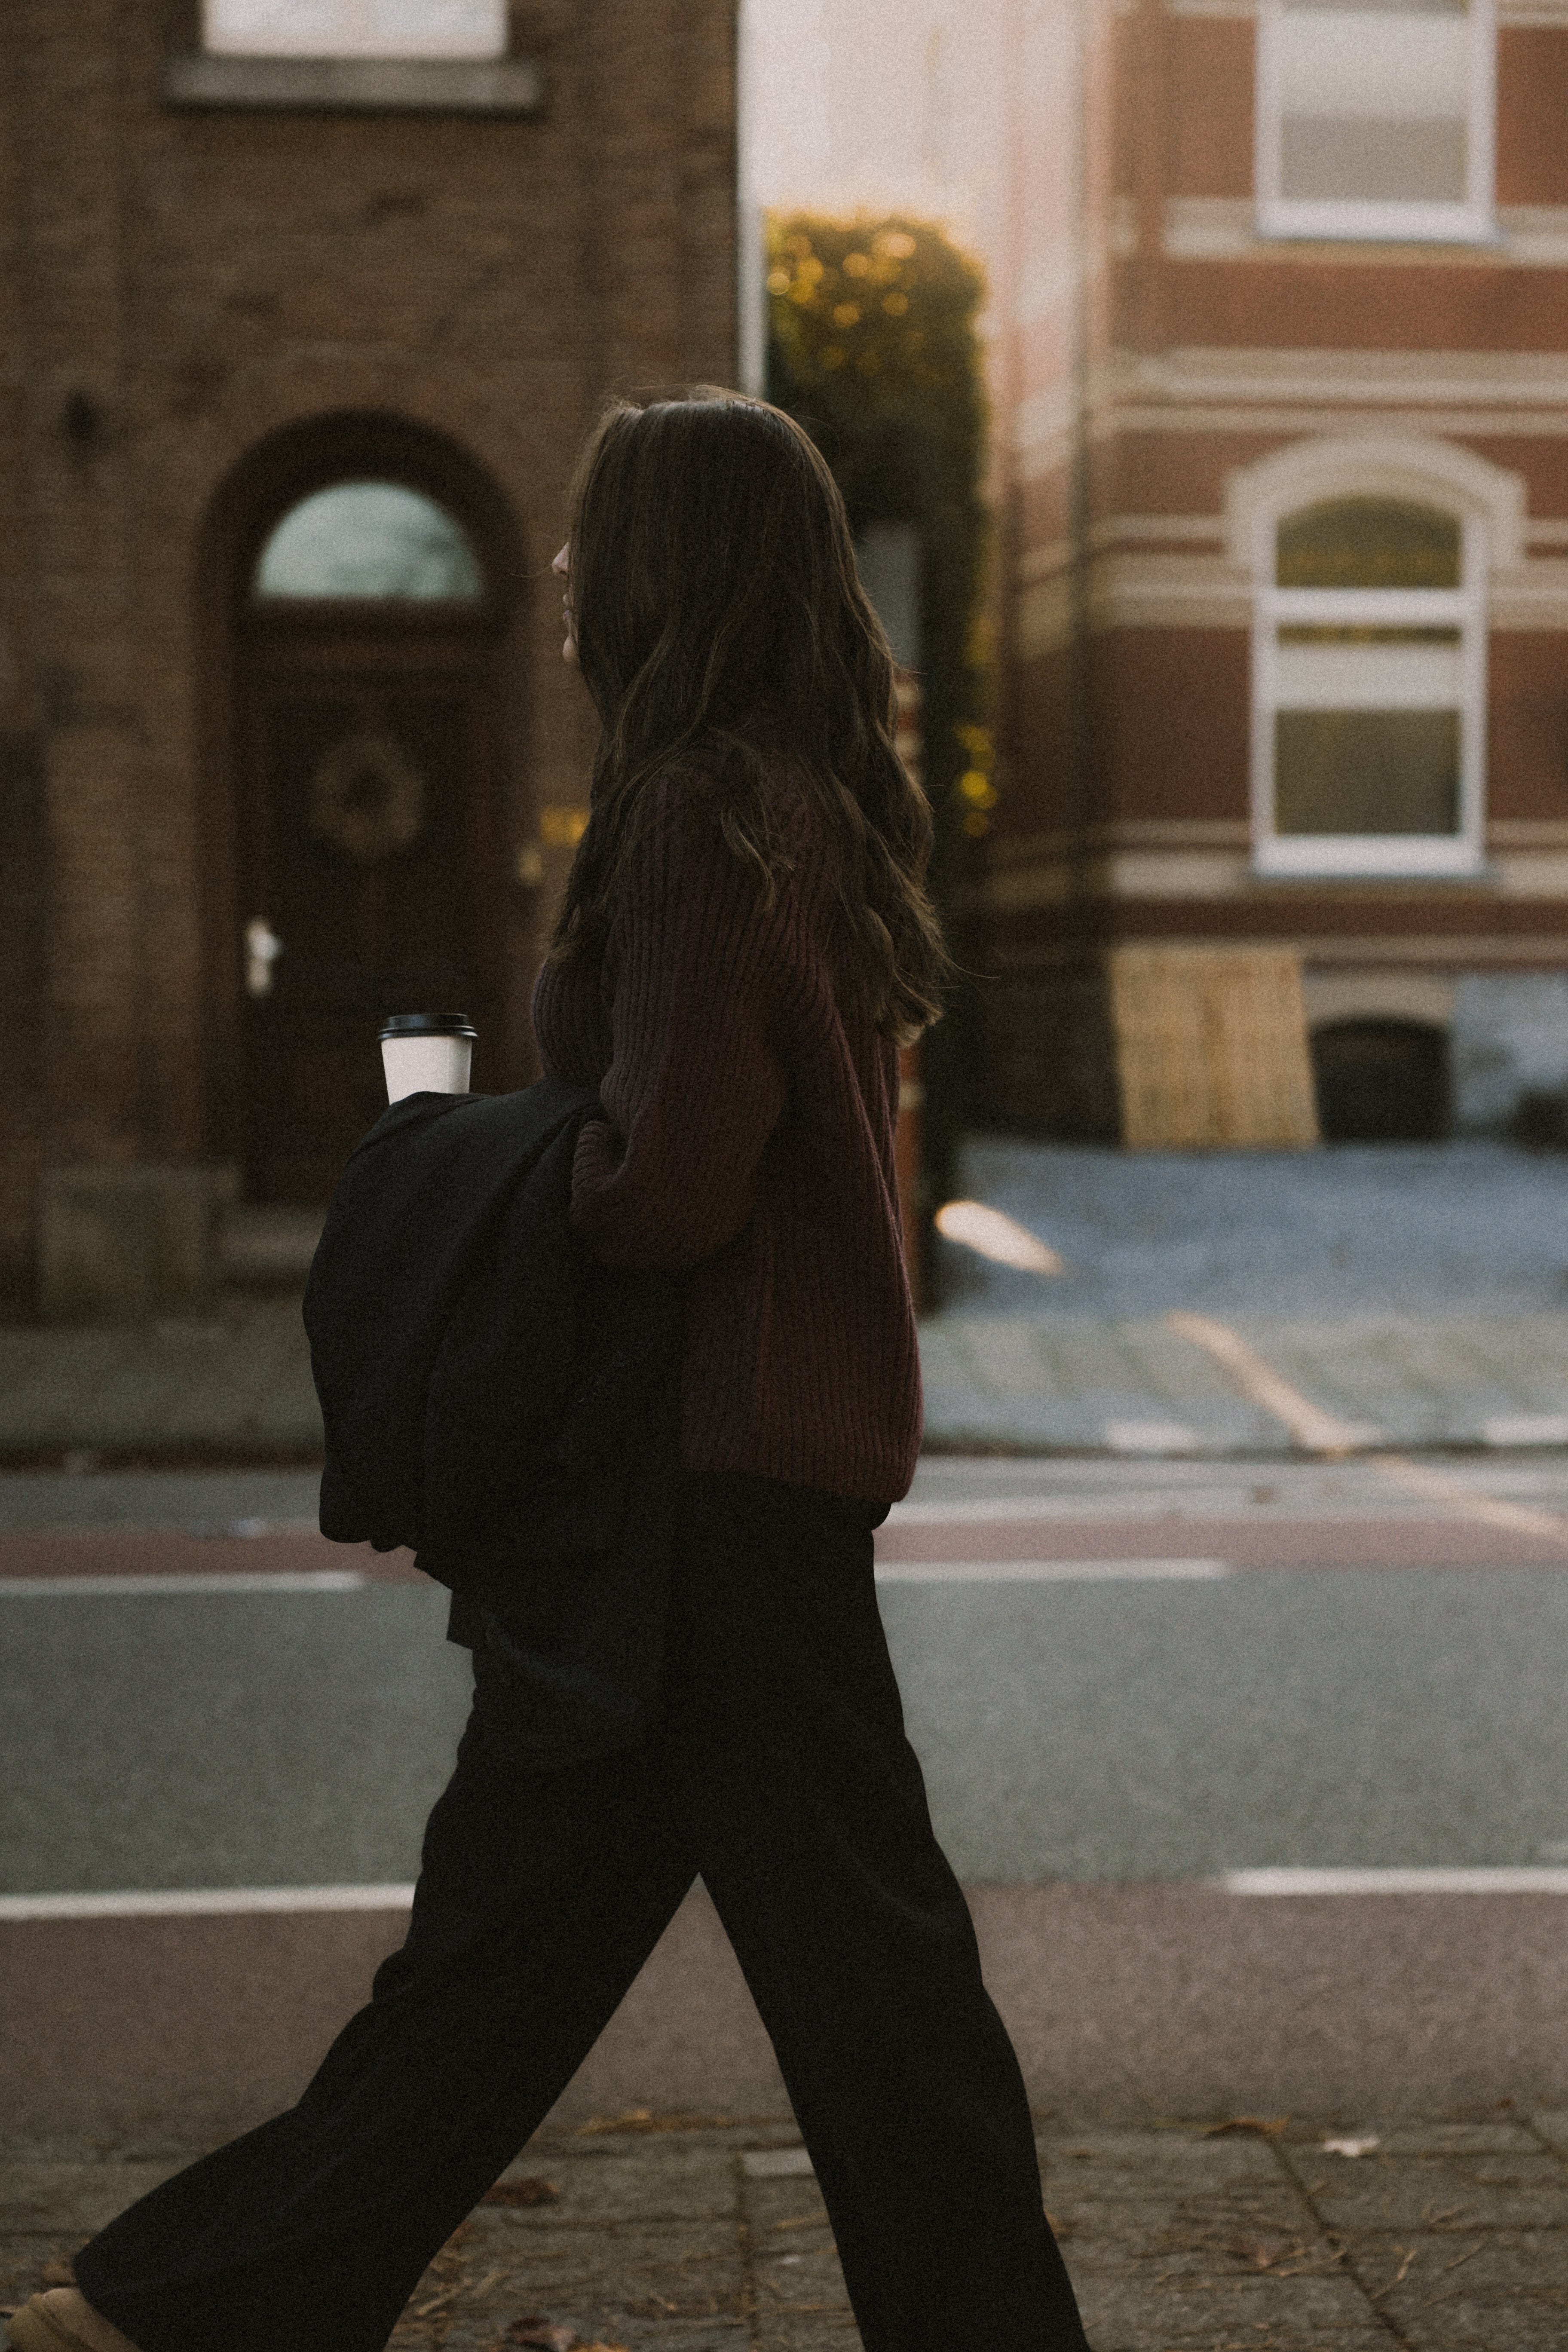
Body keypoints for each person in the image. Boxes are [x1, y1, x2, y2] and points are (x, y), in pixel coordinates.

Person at [17, 390, 1090, 2352]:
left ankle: (190, 2310)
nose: (576, 577)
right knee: (544, 1966)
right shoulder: (815, 805)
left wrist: (461, 1150)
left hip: (692, 1492)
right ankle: (198, 2307)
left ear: (671, 569)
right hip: (756, 1473)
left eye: (602, 543)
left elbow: (666, 1184)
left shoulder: (695, 815)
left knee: (823, 1997)